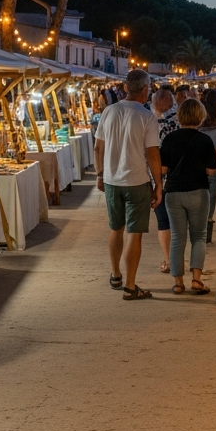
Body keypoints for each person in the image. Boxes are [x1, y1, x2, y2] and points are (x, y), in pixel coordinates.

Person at [95, 69, 162, 299]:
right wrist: (158, 185)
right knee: (134, 232)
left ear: (126, 87)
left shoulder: (109, 111)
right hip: (137, 181)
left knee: (115, 227)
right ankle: (131, 286)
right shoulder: (147, 117)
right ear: (145, 89)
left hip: (112, 180)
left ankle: (115, 275)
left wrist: (99, 174)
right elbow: (153, 154)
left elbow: (98, 148)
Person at [161, 99, 216, 294]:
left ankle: (178, 283)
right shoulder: (205, 140)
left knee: (178, 238)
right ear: (200, 116)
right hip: (198, 192)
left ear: (180, 116)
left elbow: (162, 169)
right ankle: (196, 279)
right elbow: (212, 171)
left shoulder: (170, 139)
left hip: (174, 193)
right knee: (199, 236)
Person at [151, 88, 178, 272]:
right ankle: (178, 260)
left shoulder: (150, 123)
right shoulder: (179, 122)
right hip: (179, 178)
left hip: (157, 177)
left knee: (163, 221)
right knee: (179, 221)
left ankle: (168, 261)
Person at [198, 89, 216, 242]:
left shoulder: (200, 116)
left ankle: (198, 222)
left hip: (198, 158)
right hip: (214, 159)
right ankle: (207, 222)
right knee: (212, 192)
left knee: (199, 189)